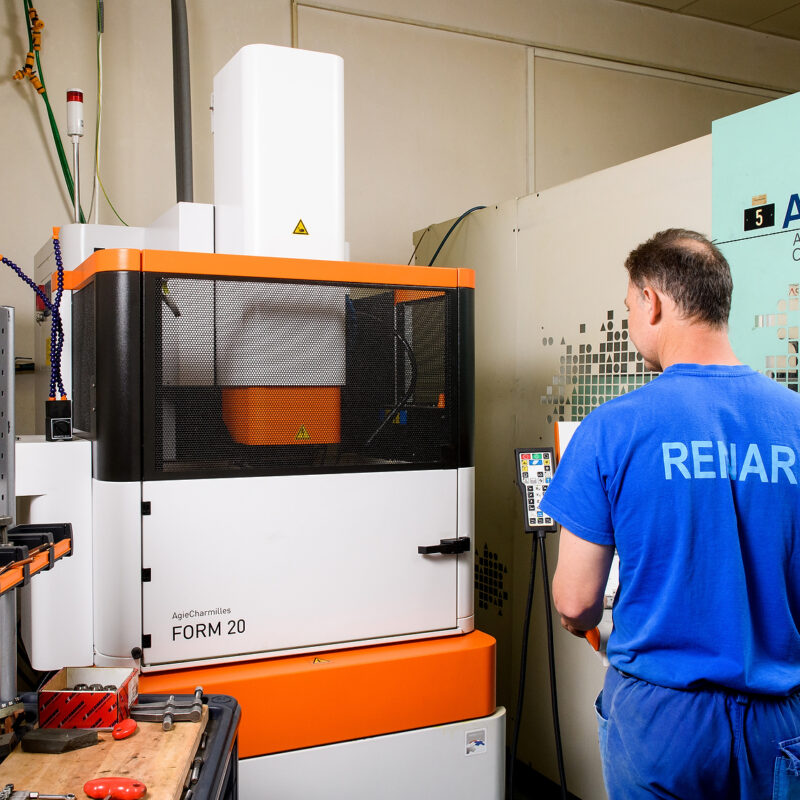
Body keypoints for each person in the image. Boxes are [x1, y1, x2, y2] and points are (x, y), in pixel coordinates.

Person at [539, 229, 800, 800]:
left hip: (662, 720)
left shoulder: (612, 428)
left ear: (651, 300)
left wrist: (587, 626)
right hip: (781, 717)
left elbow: (575, 601)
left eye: (629, 306)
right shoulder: (795, 420)